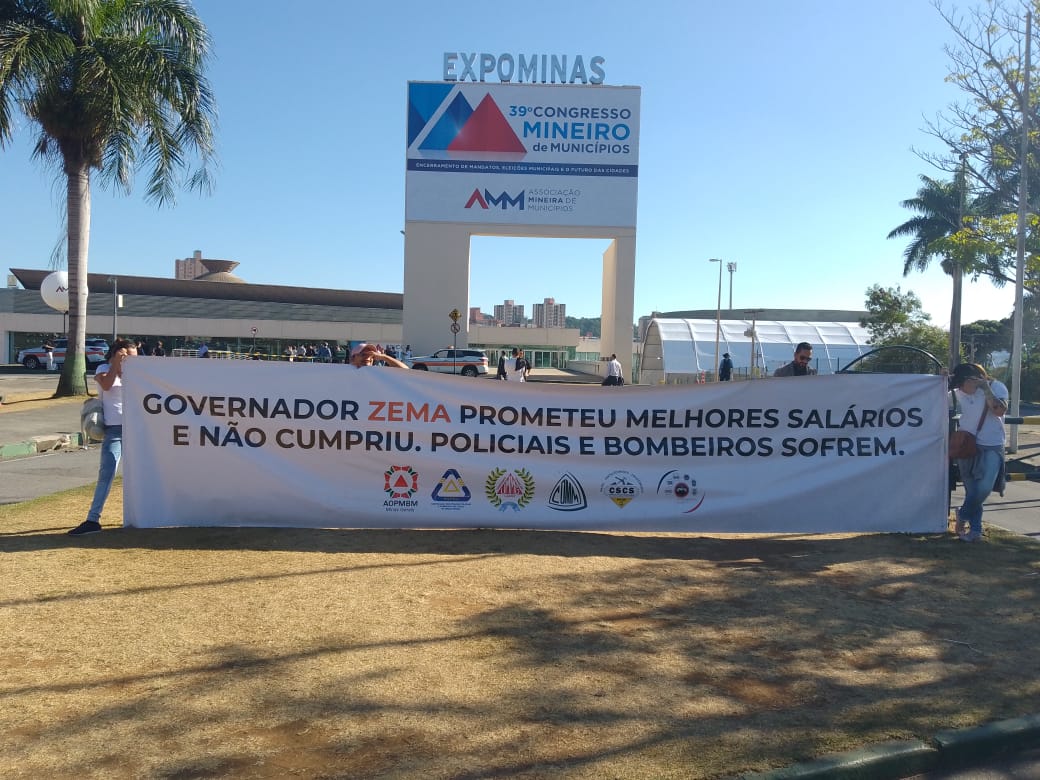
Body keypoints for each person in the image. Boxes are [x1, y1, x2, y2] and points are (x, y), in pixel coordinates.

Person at [68, 339, 137, 535]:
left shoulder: (137, 372)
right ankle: (93, 519)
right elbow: (106, 385)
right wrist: (116, 364)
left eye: (135, 357)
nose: (132, 361)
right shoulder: (104, 368)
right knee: (107, 472)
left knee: (143, 472)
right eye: (128, 357)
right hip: (115, 428)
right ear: (116, 354)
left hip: (137, 428)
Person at [950, 363, 1008, 542]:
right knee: (972, 490)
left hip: (992, 444)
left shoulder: (997, 387)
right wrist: (943, 378)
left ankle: (963, 515)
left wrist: (986, 389)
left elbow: (999, 411)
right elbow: (935, 397)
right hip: (966, 444)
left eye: (963, 383)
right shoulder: (957, 392)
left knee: (984, 487)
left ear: (974, 379)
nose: (961, 388)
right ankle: (975, 531)